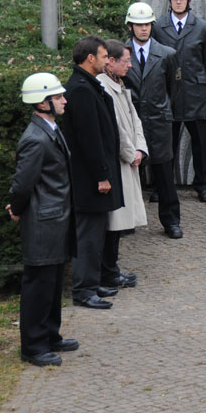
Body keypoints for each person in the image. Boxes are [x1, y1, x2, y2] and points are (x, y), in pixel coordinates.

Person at [7, 73, 79, 366]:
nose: (64, 100)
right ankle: (33, 346)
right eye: (58, 96)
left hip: (55, 218)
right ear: (42, 102)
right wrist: (16, 206)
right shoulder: (35, 138)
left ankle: (50, 335)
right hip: (43, 220)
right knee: (38, 283)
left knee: (52, 282)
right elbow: (23, 183)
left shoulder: (49, 128)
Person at [62, 35, 124, 309]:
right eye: (102, 57)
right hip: (88, 178)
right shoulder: (80, 89)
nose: (106, 61)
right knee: (87, 234)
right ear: (90, 59)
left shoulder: (88, 85)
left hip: (94, 174)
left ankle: (92, 280)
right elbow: (89, 137)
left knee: (96, 232)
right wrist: (101, 175)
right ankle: (84, 289)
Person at [152, 0, 206, 202]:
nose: (178, 2)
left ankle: (204, 185)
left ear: (189, 1)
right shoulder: (158, 26)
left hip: (194, 91)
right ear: (169, 1)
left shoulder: (202, 27)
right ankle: (162, 186)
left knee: (200, 141)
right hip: (168, 92)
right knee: (166, 141)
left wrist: (195, 76)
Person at [123, 2, 183, 238]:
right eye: (138, 25)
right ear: (130, 26)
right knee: (130, 172)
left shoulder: (167, 54)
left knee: (165, 175)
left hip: (159, 121)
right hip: (131, 121)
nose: (143, 29)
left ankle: (171, 221)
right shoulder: (120, 54)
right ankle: (127, 221)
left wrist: (163, 109)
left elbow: (174, 88)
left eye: (147, 24)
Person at [97, 39, 146, 289]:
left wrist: (140, 148)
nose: (129, 65)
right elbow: (115, 127)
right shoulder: (103, 87)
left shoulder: (118, 83)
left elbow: (134, 120)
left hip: (128, 159)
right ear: (112, 62)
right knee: (114, 221)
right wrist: (131, 153)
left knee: (120, 221)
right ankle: (108, 271)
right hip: (119, 161)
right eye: (125, 61)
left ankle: (111, 269)